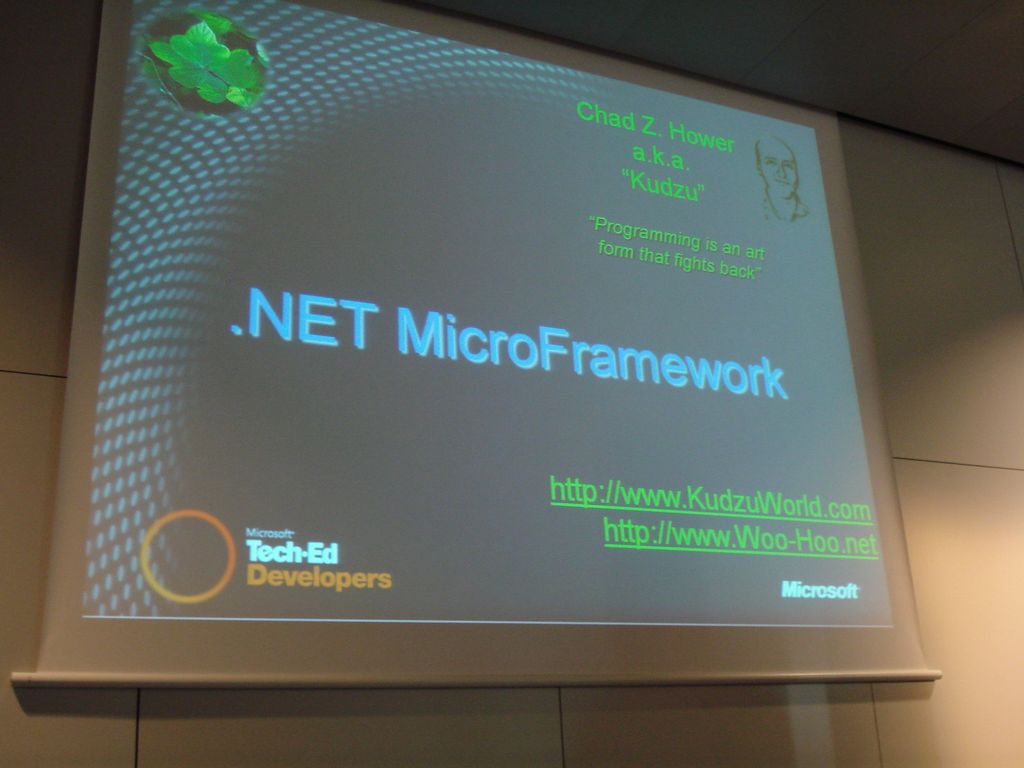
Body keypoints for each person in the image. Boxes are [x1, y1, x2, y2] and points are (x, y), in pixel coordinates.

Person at [755, 136, 808, 222]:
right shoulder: (753, 212)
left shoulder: (810, 215)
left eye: (787, 165)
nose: (782, 174)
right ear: (760, 169)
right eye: (771, 163)